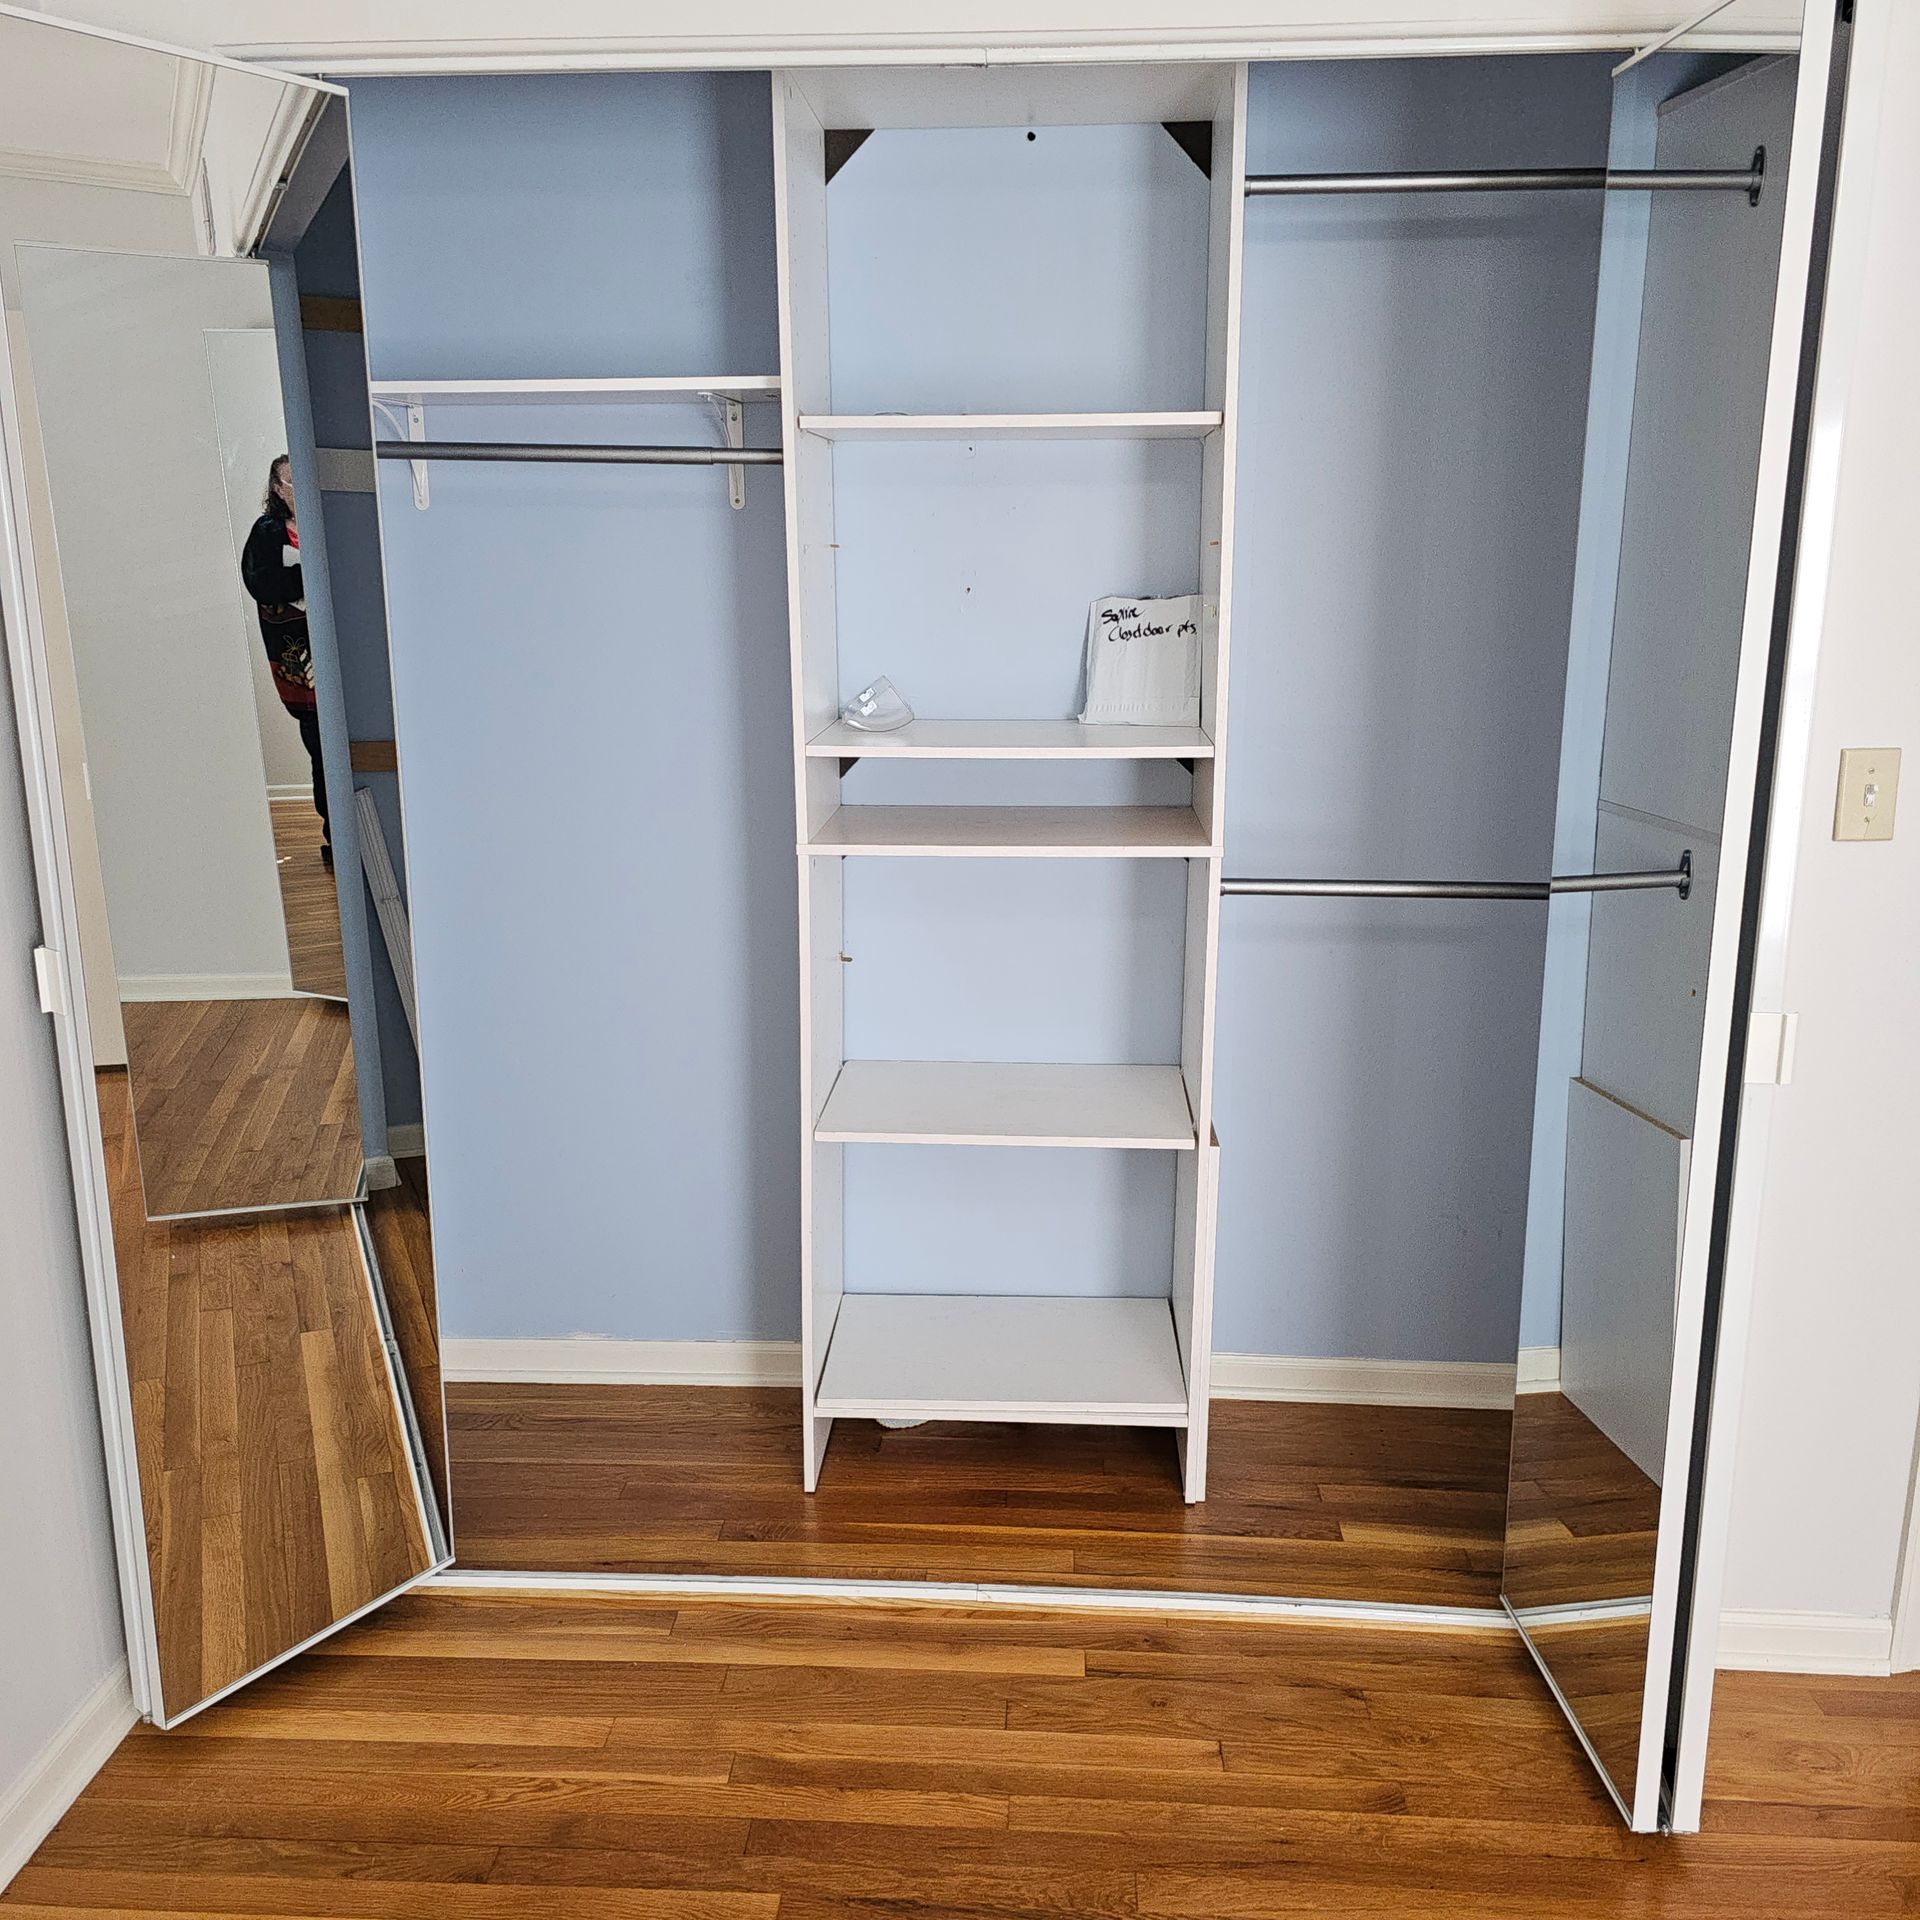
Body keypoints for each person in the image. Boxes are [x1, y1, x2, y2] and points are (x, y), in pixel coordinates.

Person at [240, 455, 330, 866]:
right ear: (277, 488)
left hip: (336, 649)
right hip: (298, 659)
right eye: (290, 481)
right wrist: (308, 575)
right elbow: (263, 584)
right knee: (320, 749)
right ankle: (334, 835)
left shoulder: (329, 519)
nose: (299, 487)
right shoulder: (267, 531)